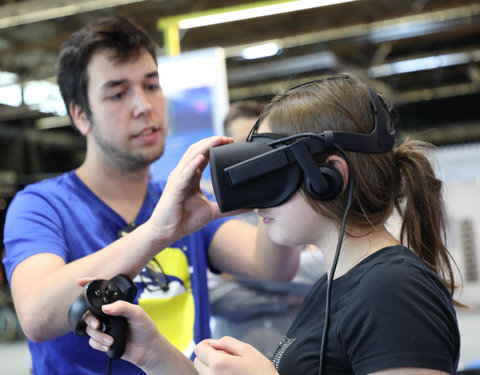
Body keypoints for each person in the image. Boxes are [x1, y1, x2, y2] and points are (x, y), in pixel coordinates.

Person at [85, 73, 461, 375]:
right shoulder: (331, 288)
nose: (257, 200)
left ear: (328, 176)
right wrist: (154, 356)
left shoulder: (394, 290)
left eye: (273, 176)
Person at [1, 16, 301, 375]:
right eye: (117, 92)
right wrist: (158, 231)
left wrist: (274, 187)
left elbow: (274, 267)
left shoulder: (181, 201)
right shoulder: (42, 205)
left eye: (151, 85)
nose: (143, 105)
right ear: (81, 116)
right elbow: (36, 313)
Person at [208, 100, 325, 359]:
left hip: (302, 358)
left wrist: (235, 271)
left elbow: (324, 270)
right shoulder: (212, 211)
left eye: (262, 146)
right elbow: (212, 292)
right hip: (234, 363)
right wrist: (283, 299)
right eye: (244, 145)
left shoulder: (303, 202)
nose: (255, 157)